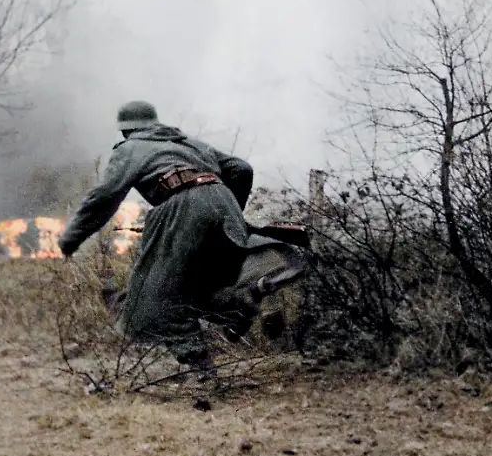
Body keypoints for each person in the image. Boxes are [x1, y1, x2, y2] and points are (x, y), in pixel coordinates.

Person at [58, 100, 309, 373]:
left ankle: (201, 369)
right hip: (221, 203)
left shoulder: (130, 148)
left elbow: (104, 195)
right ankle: (242, 299)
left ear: (125, 130)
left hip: (181, 206)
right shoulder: (190, 144)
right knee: (196, 286)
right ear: (155, 123)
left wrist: (71, 238)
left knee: (150, 304)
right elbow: (241, 169)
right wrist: (226, 213)